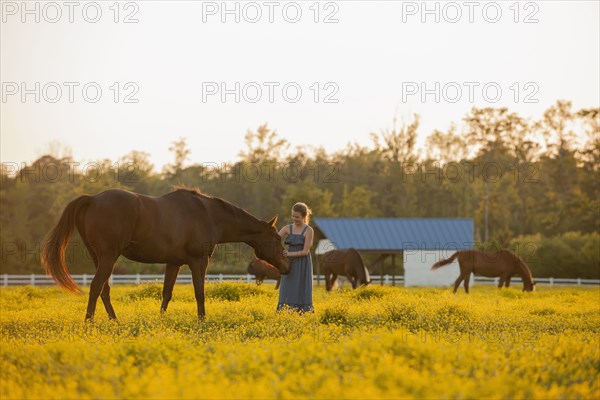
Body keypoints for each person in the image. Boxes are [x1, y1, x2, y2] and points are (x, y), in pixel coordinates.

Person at [276, 202, 314, 313]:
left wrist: (289, 254)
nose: (294, 218)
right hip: (289, 263)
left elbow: (305, 251)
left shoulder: (309, 230)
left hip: (303, 263)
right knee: (287, 288)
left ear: (304, 216)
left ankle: (302, 312)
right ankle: (285, 311)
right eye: (292, 216)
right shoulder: (287, 228)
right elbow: (275, 240)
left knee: (301, 288)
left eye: (297, 217)